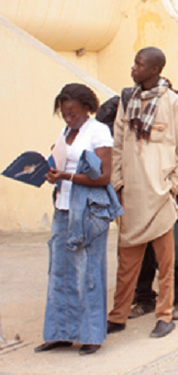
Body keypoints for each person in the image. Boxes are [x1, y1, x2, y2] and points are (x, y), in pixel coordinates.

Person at [107, 47, 178, 338]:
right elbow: (118, 145)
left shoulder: (173, 102)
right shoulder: (127, 100)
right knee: (126, 264)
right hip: (131, 196)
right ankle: (118, 316)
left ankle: (164, 315)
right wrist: (118, 183)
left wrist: (175, 187)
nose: (133, 68)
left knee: (165, 265)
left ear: (154, 70)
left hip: (160, 197)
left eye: (138, 64)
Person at [35, 84, 122, 356]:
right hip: (63, 207)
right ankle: (60, 332)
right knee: (59, 271)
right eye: (63, 114)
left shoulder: (98, 131)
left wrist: (66, 177)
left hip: (89, 211)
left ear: (86, 108)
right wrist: (52, 173)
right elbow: (61, 164)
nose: (68, 118)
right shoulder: (66, 131)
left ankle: (91, 335)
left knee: (88, 273)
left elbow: (104, 177)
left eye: (72, 113)